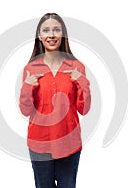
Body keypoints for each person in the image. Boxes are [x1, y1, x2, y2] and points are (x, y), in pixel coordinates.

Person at [19, 13, 91, 188]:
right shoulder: (31, 68)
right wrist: (27, 87)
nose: (51, 34)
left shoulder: (76, 67)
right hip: (40, 145)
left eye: (56, 29)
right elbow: (25, 111)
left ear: (63, 34)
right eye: (46, 30)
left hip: (69, 144)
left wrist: (81, 81)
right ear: (40, 36)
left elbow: (84, 108)